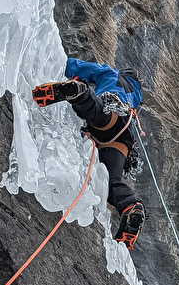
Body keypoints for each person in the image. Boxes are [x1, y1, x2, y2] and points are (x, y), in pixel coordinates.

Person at [32, 57, 147, 249]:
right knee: (112, 182)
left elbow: (79, 67)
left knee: (95, 112)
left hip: (112, 111)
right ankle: (131, 207)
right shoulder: (135, 97)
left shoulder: (112, 74)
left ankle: (79, 93)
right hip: (123, 138)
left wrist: (56, 58)